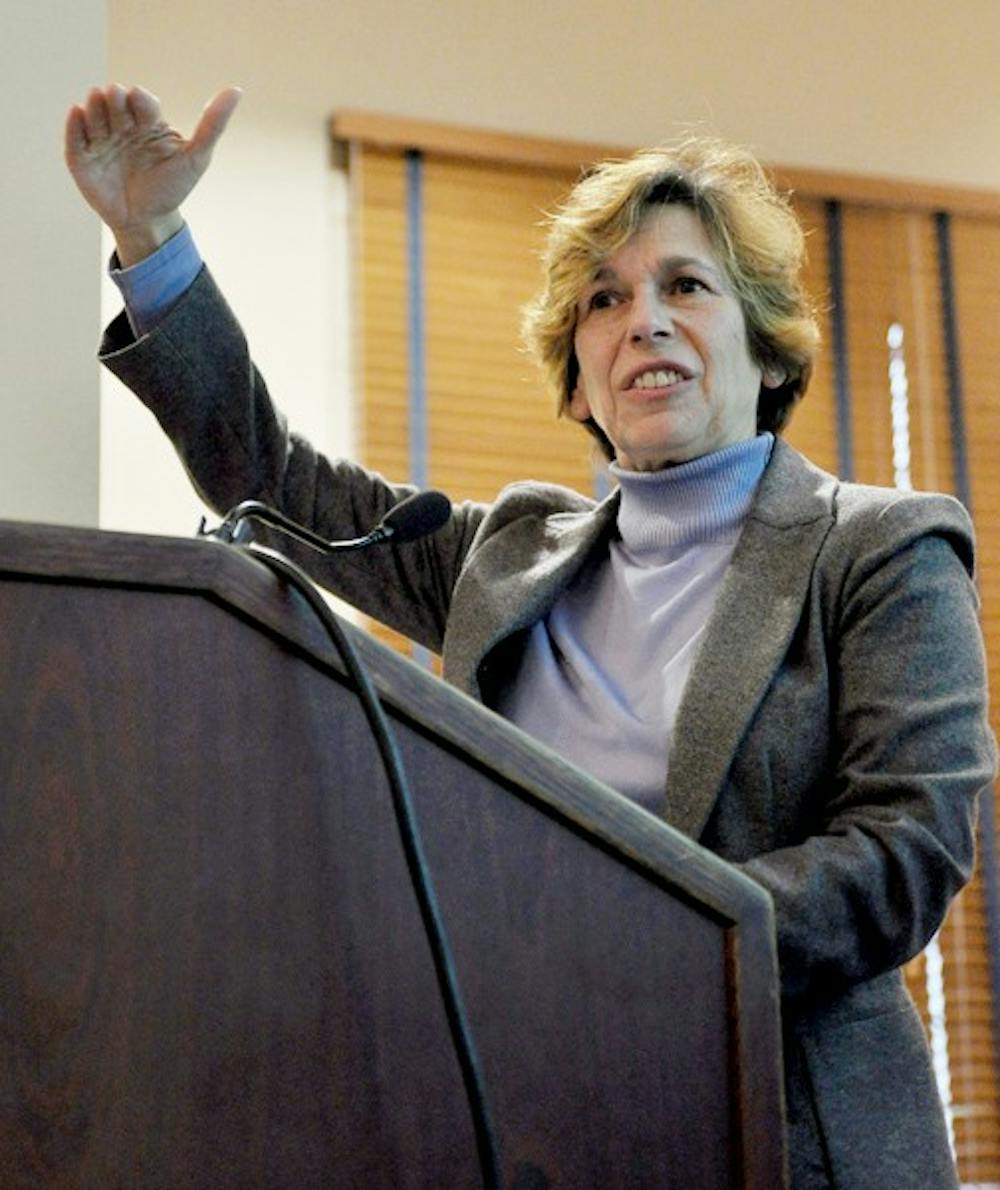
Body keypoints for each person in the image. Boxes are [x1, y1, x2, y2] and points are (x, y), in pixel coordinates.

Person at [66, 84, 996, 1189]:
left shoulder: (881, 548)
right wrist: (150, 236)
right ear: (579, 376)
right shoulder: (507, 557)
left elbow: (905, 851)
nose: (641, 317)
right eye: (603, 300)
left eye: (685, 285)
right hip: (537, 1130)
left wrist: (632, 925)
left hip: (790, 1139)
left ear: (766, 341)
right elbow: (267, 483)